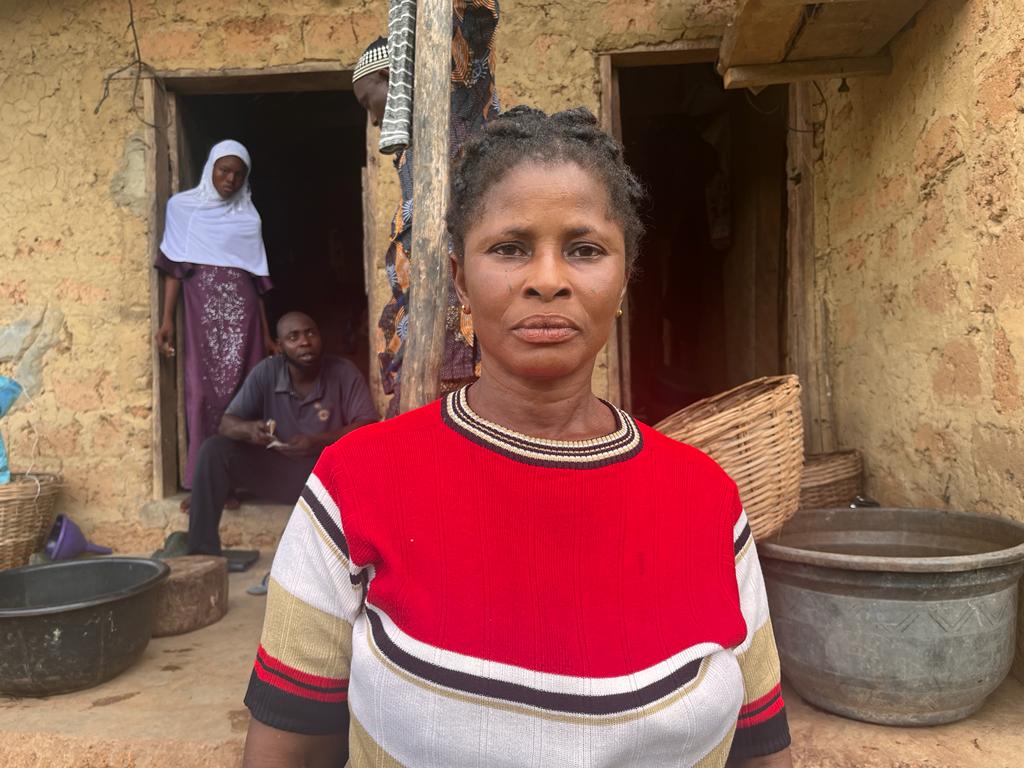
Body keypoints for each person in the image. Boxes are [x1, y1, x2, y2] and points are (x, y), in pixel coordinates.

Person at [240, 107, 793, 767]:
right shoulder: (355, 485)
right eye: (510, 247)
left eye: (585, 249)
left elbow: (761, 750)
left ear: (624, 275)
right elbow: (285, 751)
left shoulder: (705, 499)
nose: (548, 279)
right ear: (458, 277)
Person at [352, 1, 500, 417]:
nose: (375, 121)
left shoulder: (460, 110)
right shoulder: (413, 155)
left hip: (462, 320)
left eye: (369, 103)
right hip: (429, 326)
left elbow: (473, 32)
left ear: (388, 78)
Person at [185, 311, 378, 558]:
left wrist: (315, 442)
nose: (305, 342)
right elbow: (226, 424)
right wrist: (249, 429)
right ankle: (201, 555)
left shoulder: (343, 372)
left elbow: (367, 426)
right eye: (293, 337)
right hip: (277, 474)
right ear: (279, 347)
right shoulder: (266, 372)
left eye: (310, 333)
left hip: (325, 478)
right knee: (214, 449)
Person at [154, 139, 275, 502]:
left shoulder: (248, 218)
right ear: (210, 169)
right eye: (224, 171)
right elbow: (174, 270)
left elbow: (257, 283)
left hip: (244, 318)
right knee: (201, 394)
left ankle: (236, 483)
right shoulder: (183, 209)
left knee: (243, 398)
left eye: (239, 175)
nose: (230, 179)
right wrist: (166, 322)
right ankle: (205, 484)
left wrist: (268, 336)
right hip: (201, 315)